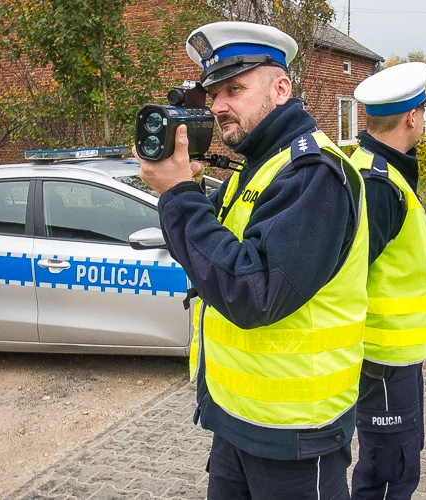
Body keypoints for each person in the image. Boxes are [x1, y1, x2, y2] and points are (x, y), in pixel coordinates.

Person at [135, 21, 369, 500]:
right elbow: (224, 258)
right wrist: (189, 190)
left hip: (296, 437)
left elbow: (253, 292)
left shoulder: (312, 174)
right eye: (214, 92)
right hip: (237, 421)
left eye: (235, 89)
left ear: (281, 88)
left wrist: (178, 195)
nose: (219, 105)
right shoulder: (260, 166)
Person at [347, 62, 426, 499]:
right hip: (383, 355)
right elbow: (347, 273)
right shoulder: (379, 184)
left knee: (397, 460)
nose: (424, 119)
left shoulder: (381, 168)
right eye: (424, 111)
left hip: (395, 354)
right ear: (411, 117)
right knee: (389, 471)